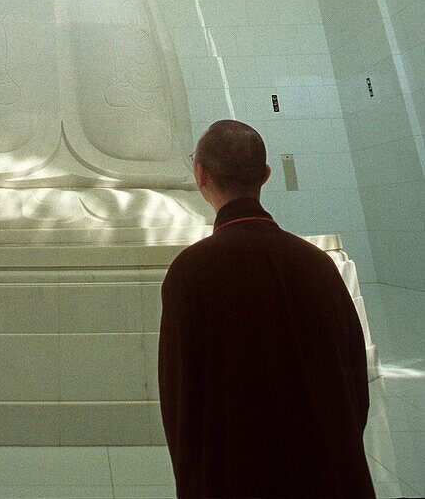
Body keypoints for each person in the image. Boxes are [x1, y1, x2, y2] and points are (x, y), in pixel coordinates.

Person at [158, 119, 374, 498]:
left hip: (235, 475)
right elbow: (356, 385)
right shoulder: (319, 265)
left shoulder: (190, 272)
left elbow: (181, 405)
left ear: (199, 174)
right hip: (329, 473)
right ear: (266, 174)